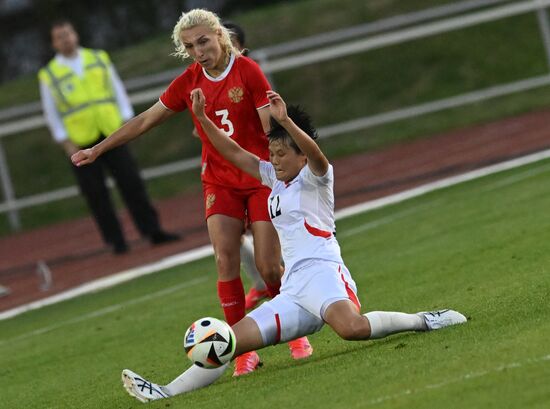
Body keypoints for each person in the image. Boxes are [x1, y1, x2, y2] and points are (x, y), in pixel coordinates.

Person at [119, 89, 468, 403]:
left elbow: (317, 155)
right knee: (226, 342)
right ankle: (164, 392)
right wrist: (203, 120)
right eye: (272, 152)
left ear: (300, 156)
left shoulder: (317, 176)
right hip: (293, 289)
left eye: (282, 153)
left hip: (324, 274)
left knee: (353, 329)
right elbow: (233, 153)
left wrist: (284, 120)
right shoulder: (274, 178)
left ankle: (425, 320)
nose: (275, 160)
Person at [71, 9, 312, 375]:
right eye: (189, 46)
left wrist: (287, 158)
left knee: (268, 266)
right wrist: (98, 149)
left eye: (203, 41)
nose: (198, 51)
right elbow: (146, 119)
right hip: (219, 181)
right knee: (224, 260)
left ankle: (292, 332)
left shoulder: (248, 71)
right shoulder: (189, 81)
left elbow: (269, 127)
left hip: (261, 178)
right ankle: (242, 351)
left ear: (219, 36)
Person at [39, 20, 179, 254]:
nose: (65, 39)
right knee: (96, 193)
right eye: (59, 37)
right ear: (54, 43)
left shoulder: (98, 58)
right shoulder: (49, 74)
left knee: (131, 182)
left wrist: (128, 122)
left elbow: (117, 91)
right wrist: (65, 141)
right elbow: (51, 111)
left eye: (68, 34)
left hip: (112, 132)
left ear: (75, 34)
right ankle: (116, 241)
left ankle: (152, 230)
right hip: (80, 140)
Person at [189, 21, 270, 310]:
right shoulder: (200, 80)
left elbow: (268, 120)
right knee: (227, 246)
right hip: (221, 174)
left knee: (270, 253)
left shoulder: (248, 72)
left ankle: (278, 288)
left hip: (257, 171)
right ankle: (259, 289)